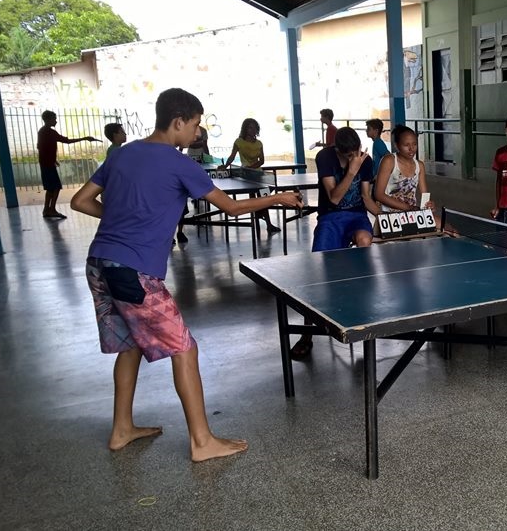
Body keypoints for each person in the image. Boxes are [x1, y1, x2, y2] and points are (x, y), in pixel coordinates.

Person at [70, 88, 303, 461]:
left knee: (130, 346)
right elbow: (230, 207)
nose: (197, 133)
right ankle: (202, 441)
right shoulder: (179, 164)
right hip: (134, 271)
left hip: (98, 263)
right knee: (184, 348)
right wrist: (276, 199)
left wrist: (120, 221)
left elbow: (80, 201)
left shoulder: (124, 153)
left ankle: (121, 430)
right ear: (177, 122)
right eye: (194, 125)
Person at [290, 126, 380, 359]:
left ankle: (363, 317)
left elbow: (366, 198)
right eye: (349, 155)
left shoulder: (365, 161)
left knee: (364, 240)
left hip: (357, 217)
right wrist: (351, 171)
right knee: (318, 271)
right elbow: (335, 197)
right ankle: (306, 334)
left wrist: (390, 218)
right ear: (337, 150)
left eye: (356, 153)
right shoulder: (325, 157)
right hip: (330, 218)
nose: (354, 158)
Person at [218, 118, 280, 235]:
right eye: (250, 127)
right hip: (246, 176)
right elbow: (232, 156)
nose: (252, 130)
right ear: (245, 129)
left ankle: (268, 223)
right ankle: (255, 220)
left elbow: (261, 160)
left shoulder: (259, 143)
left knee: (264, 198)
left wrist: (251, 168)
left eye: (254, 127)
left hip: (259, 175)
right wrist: (225, 166)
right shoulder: (239, 142)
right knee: (253, 200)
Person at [37, 110, 101, 219]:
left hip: (45, 163)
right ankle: (51, 209)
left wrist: (52, 159)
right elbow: (66, 141)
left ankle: (46, 209)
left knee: (50, 188)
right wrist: (85, 138)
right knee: (56, 187)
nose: (56, 121)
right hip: (47, 164)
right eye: (54, 119)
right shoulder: (49, 132)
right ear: (48, 120)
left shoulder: (42, 131)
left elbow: (40, 147)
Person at [374, 125, 434, 213]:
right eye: (406, 145)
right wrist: (408, 208)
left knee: (446, 226)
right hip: (390, 213)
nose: (411, 149)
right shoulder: (389, 161)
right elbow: (379, 195)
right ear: (397, 145)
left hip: (411, 212)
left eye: (414, 144)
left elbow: (425, 196)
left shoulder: (419, 165)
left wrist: (429, 205)